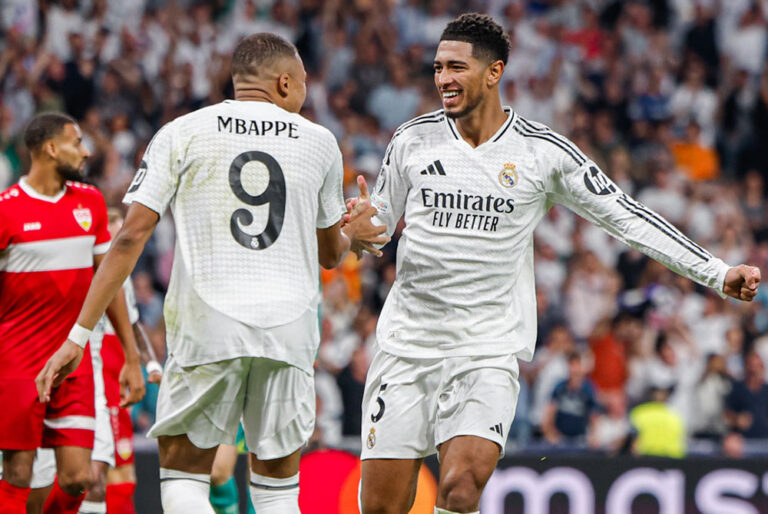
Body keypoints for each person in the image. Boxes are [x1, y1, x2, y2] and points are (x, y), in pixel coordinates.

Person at [351, 13, 761, 514]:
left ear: (494, 72)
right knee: (381, 507)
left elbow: (626, 217)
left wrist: (716, 272)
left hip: (487, 349)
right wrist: (359, 232)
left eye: (456, 67)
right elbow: (376, 222)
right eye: (438, 68)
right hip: (407, 347)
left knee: (461, 487)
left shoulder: (541, 152)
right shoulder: (412, 139)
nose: (443, 79)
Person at [36, 33, 386, 514]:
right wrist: (356, 235)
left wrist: (78, 334)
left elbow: (130, 236)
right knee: (278, 494)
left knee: (184, 482)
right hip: (289, 333)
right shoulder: (319, 141)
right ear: (285, 83)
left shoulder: (182, 131)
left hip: (208, 326)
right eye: (304, 82)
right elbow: (331, 254)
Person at [0, 112, 145, 514]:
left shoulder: (90, 202)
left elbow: (109, 285)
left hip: (74, 362)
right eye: (76, 142)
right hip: (18, 361)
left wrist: (131, 358)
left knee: (79, 478)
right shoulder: (6, 210)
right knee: (18, 472)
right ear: (50, 148)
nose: (85, 152)